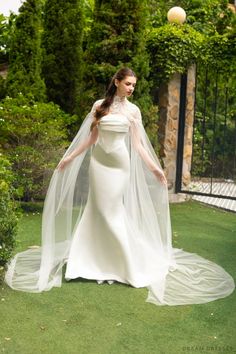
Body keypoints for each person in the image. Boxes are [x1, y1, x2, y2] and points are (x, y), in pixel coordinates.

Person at [5, 68, 234, 306]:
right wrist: (70, 157)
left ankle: (126, 264)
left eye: (134, 85)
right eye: (128, 84)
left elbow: (137, 145)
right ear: (116, 82)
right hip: (99, 165)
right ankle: (88, 261)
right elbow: (91, 139)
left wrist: (155, 169)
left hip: (119, 166)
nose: (131, 88)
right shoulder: (99, 106)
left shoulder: (133, 111)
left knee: (111, 210)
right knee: (97, 209)